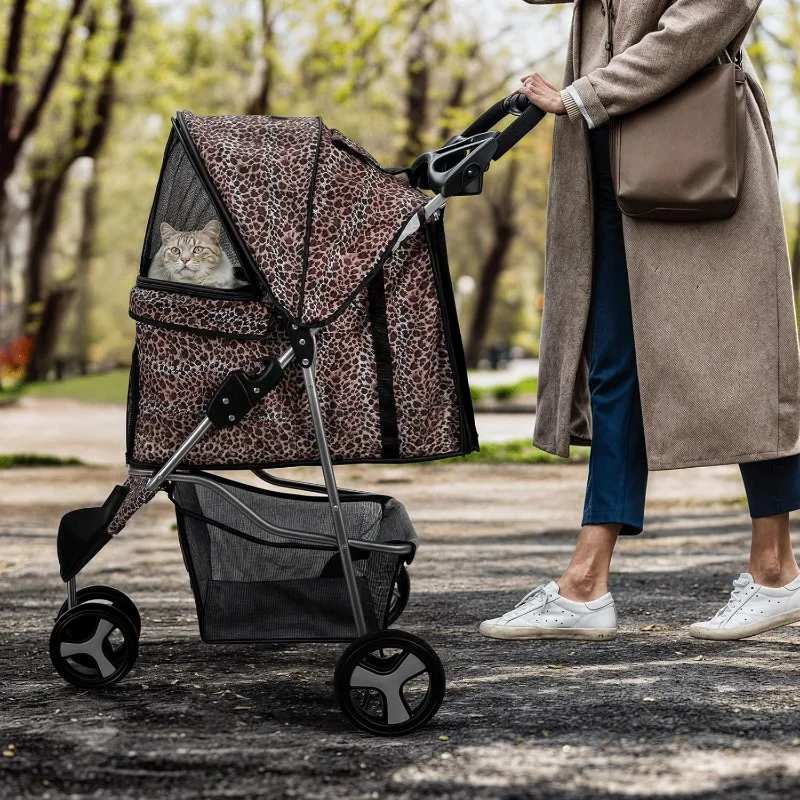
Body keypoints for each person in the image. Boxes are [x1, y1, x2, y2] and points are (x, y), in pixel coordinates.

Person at [480, 0, 800, 642]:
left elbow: (710, 18)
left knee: (744, 364)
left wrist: (582, 96)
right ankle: (584, 585)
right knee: (613, 367)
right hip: (602, 163)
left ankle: (775, 569)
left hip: (697, 161)